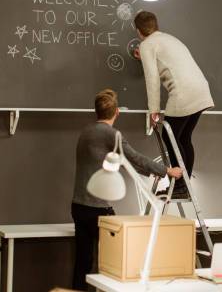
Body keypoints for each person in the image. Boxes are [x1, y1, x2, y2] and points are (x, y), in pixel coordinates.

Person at [71, 89, 182, 291]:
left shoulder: (86, 132)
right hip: (98, 209)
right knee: (114, 263)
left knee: (83, 262)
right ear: (117, 112)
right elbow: (134, 157)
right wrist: (166, 170)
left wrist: (150, 173)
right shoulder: (112, 135)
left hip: (79, 207)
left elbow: (118, 161)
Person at [134, 11, 214, 199]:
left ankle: (179, 186)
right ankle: (184, 185)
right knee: (184, 138)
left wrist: (153, 110)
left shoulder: (146, 45)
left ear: (138, 30)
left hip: (183, 93)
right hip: (201, 90)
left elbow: (152, 79)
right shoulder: (170, 39)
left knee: (169, 137)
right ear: (156, 25)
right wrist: (144, 57)